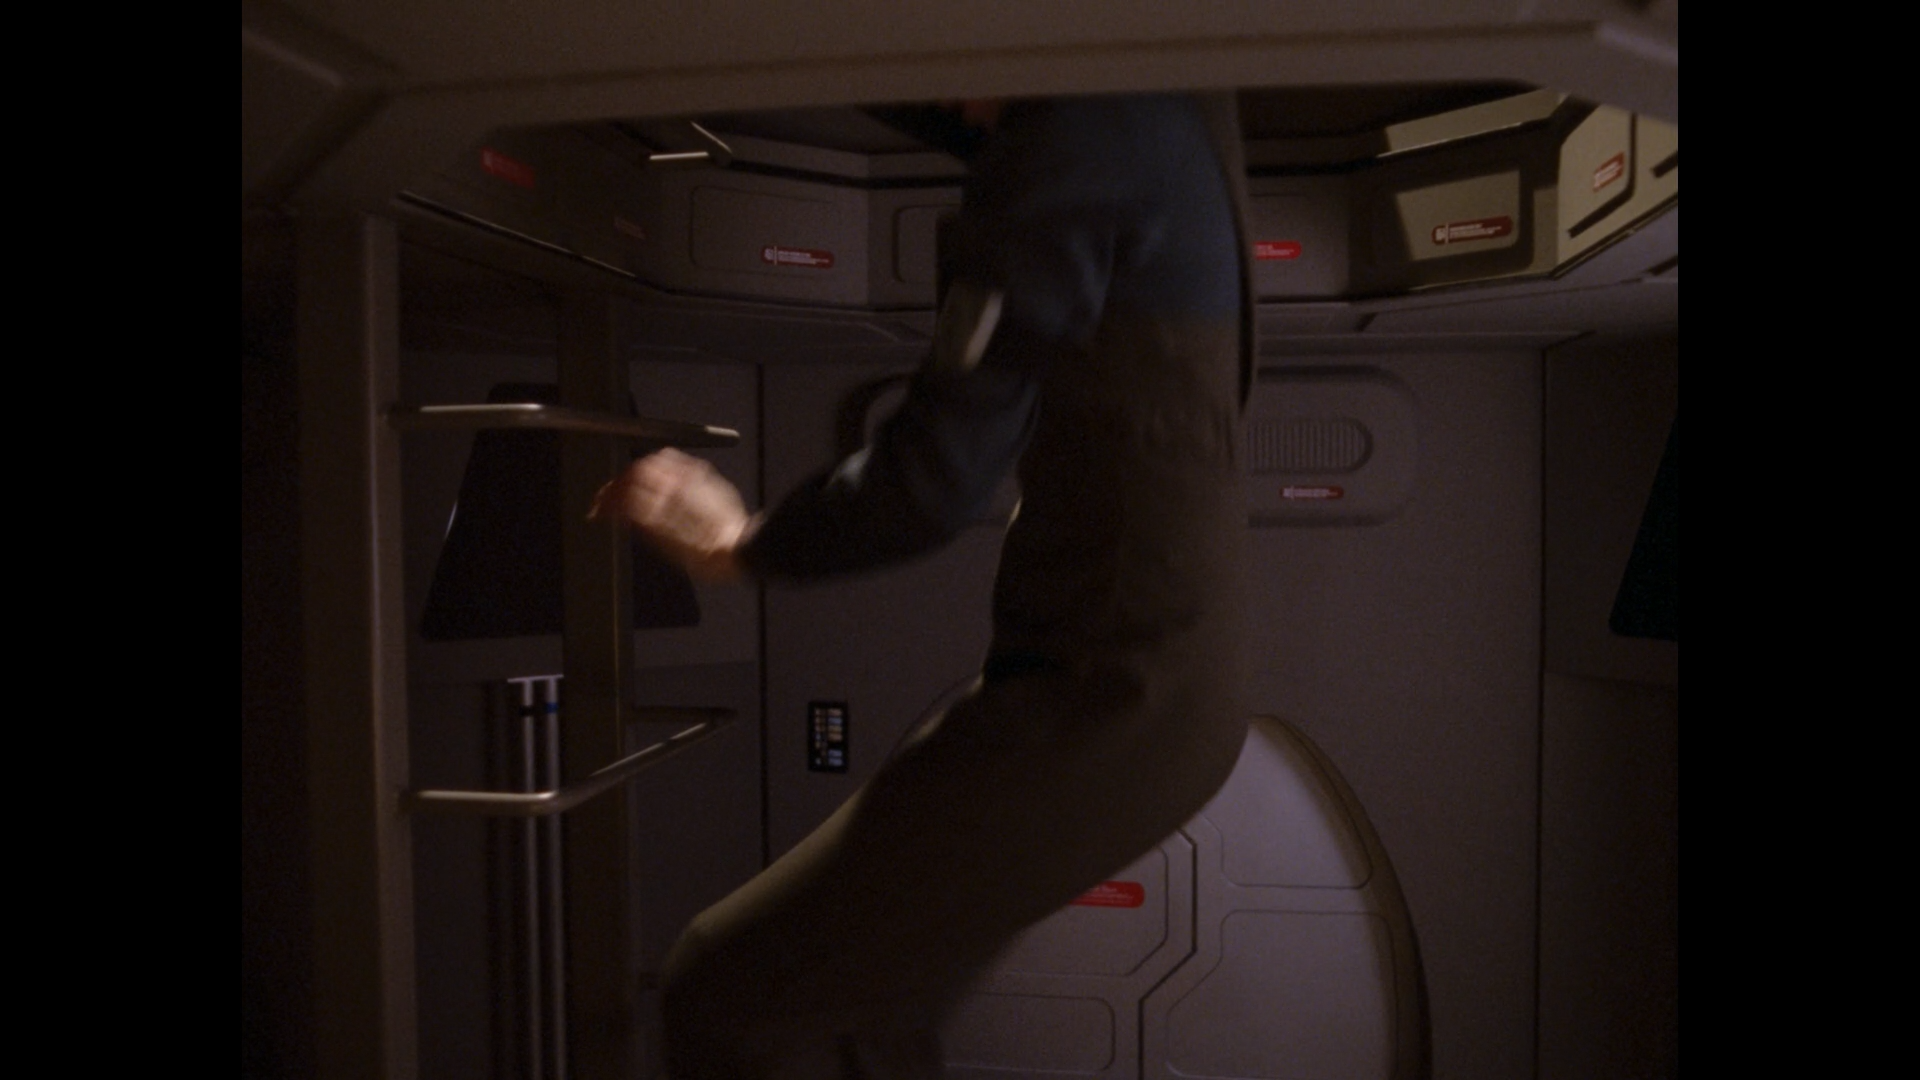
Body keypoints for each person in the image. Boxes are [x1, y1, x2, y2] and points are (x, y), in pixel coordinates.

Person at [592, 92, 1255, 1079]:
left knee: (729, 997)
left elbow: (934, 483)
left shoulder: (1067, 136)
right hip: (1153, 687)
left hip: (1108, 704)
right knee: (865, 1020)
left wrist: (739, 542)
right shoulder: (1161, 102)